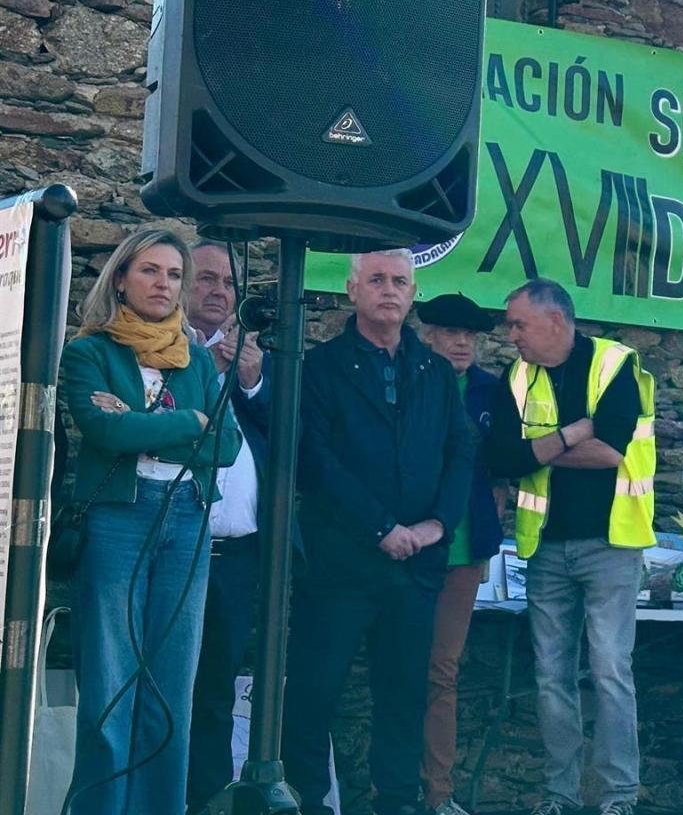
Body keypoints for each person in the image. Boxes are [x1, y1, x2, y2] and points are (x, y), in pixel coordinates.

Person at [282, 249, 474, 815]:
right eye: (377, 280)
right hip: (339, 565)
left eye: (400, 281)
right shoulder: (320, 367)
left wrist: (438, 524)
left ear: (413, 294)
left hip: (414, 567)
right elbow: (314, 460)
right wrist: (380, 526)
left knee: (404, 696)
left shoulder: (435, 372)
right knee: (314, 692)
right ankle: (307, 802)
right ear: (352, 290)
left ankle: (397, 802)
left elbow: (461, 451)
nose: (389, 290)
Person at [59, 228, 240, 815]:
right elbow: (105, 430)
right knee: (111, 685)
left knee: (170, 690)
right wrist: (191, 423)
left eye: (173, 274)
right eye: (150, 271)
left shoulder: (196, 359)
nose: (164, 284)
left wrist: (143, 425)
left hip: (188, 520)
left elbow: (228, 445)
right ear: (120, 279)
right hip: (119, 519)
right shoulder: (90, 353)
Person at [482, 278, 655, 815]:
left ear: (555, 320)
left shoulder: (615, 364)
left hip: (611, 544)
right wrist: (572, 433)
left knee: (610, 671)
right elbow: (502, 458)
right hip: (547, 547)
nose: (511, 335)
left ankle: (619, 796)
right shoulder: (516, 376)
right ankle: (560, 795)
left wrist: (536, 450)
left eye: (519, 324)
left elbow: (610, 452)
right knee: (550, 677)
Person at [183, 240, 272, 812]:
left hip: (237, 558)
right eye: (207, 278)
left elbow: (292, 440)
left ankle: (207, 801)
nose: (219, 291)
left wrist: (255, 383)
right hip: (176, 547)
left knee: (217, 692)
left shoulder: (253, 356)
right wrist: (202, 368)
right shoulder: (163, 349)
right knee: (164, 685)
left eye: (229, 283)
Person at [416, 293, 508, 815]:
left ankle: (439, 794)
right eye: (452, 333)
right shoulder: (410, 379)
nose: (462, 343)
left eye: (470, 335)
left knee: (442, 671)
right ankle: (395, 789)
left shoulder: (491, 391)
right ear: (429, 336)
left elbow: (503, 463)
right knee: (398, 665)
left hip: (465, 550)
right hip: (409, 547)